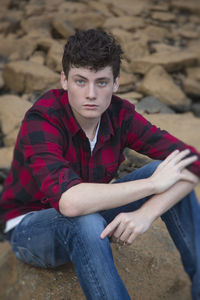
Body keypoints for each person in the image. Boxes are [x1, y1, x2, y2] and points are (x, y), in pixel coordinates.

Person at [0, 29, 200, 300]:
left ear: (116, 83)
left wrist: (147, 213)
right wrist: (153, 185)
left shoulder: (120, 115)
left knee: (167, 169)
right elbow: (70, 203)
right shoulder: (42, 119)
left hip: (91, 208)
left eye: (101, 82)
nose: (91, 94)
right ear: (64, 80)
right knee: (85, 220)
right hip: (31, 227)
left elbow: (192, 161)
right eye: (80, 81)